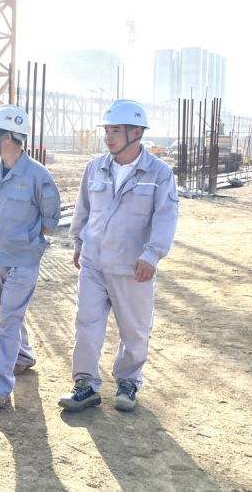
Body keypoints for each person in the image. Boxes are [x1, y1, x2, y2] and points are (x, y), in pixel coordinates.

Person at [59, 99, 179, 413]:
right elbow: (83, 209)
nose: (108, 137)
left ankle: (128, 382)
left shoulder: (159, 173)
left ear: (136, 132)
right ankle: (85, 385)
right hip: (94, 263)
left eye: (115, 130)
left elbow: (166, 216)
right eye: (107, 130)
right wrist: (78, 243)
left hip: (133, 268)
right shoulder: (95, 167)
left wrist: (152, 255)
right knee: (86, 324)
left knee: (134, 330)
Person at [0, 106, 60, 409]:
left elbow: (50, 219)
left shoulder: (38, 175)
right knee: (8, 314)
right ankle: (23, 355)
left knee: (7, 321)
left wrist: (25, 241)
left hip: (22, 261)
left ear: (7, 137)